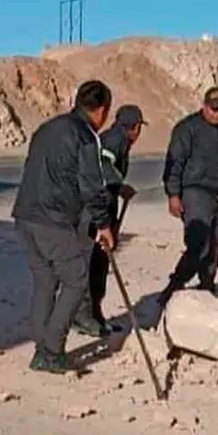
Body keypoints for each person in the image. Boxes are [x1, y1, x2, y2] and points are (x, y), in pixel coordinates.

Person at [11, 80, 114, 374]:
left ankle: (42, 347)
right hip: (52, 222)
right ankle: (52, 350)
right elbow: (92, 187)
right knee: (75, 281)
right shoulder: (85, 136)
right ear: (102, 110)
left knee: (45, 281)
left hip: (25, 217)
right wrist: (104, 224)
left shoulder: (47, 128)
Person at [156, 86, 218, 309]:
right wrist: (173, 195)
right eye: (214, 109)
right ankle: (172, 289)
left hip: (212, 195)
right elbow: (174, 164)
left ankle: (206, 286)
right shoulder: (187, 129)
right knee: (199, 244)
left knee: (215, 244)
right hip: (192, 191)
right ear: (204, 106)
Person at [73, 104, 147, 336]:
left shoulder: (117, 138)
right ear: (134, 128)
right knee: (92, 261)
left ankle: (95, 315)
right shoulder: (115, 140)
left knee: (100, 262)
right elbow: (101, 167)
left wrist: (119, 187)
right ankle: (83, 318)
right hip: (95, 209)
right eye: (138, 128)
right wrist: (117, 184)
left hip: (102, 205)